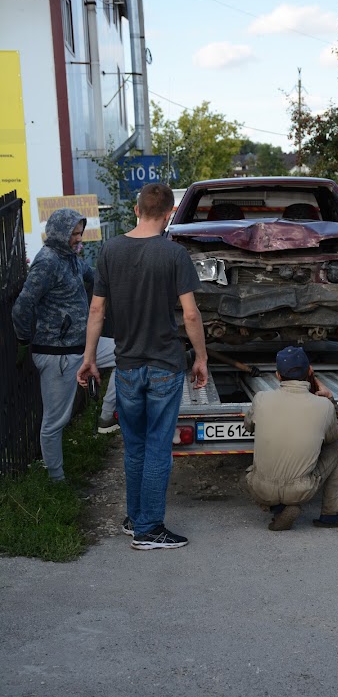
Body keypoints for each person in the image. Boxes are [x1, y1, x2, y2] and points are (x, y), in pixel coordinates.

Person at [77, 183, 208, 551]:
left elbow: (97, 310)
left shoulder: (110, 250)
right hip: (165, 365)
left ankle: (135, 518)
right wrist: (201, 357)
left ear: (136, 210)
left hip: (128, 366)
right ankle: (149, 530)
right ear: (168, 215)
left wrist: (89, 357)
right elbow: (191, 314)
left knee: (134, 447)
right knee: (157, 449)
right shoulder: (173, 254)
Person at [12, 208, 118, 482]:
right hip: (56, 353)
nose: (78, 238)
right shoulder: (47, 261)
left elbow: (94, 278)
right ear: (59, 233)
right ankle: (55, 481)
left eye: (80, 233)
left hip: (82, 347)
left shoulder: (71, 259)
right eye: (74, 233)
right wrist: (24, 339)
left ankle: (107, 416)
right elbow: (22, 305)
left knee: (126, 353)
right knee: (55, 421)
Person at [244, 346, 338, 531]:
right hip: (300, 490)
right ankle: (331, 514)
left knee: (252, 472)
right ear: (310, 372)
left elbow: (249, 426)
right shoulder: (323, 405)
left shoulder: (261, 398)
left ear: (278, 376)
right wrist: (330, 400)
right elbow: (332, 438)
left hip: (260, 489)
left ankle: (278, 508)